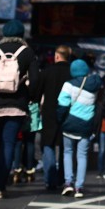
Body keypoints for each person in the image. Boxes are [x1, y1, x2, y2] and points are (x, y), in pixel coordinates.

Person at [0, 19, 38, 199]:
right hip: (17, 106)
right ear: (21, 34)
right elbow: (35, 80)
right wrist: (29, 97)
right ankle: (1, 187)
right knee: (9, 143)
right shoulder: (27, 53)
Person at [58, 58, 101, 198]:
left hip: (70, 124)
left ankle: (68, 183)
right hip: (86, 125)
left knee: (68, 153)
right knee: (82, 156)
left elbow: (62, 106)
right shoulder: (94, 84)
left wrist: (60, 120)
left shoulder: (68, 85)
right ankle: (79, 187)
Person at [33, 44, 73, 191]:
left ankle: (50, 179)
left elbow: (36, 93)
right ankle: (63, 178)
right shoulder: (71, 73)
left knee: (48, 145)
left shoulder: (46, 72)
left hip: (49, 113)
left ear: (57, 56)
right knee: (65, 147)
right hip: (67, 113)